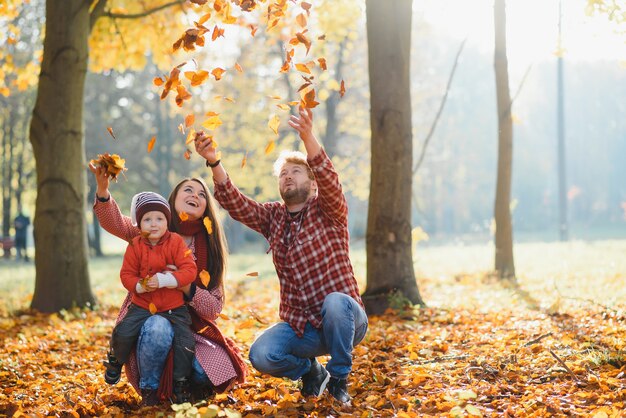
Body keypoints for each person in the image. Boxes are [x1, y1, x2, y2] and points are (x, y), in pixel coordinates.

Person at [194, 107, 368, 404]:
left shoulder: (329, 210)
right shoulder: (274, 217)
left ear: (312, 184)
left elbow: (329, 178)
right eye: (283, 174)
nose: (287, 177)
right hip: (304, 328)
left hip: (345, 321)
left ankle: (339, 378)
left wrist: (308, 137)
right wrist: (214, 161)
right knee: (261, 353)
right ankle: (312, 372)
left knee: (335, 301)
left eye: (295, 172)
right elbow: (236, 204)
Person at [89, 166, 247, 406]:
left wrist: (186, 288)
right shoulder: (154, 227)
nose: (195, 195)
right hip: (147, 318)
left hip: (188, 324)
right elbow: (117, 224)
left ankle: (182, 389)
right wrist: (102, 190)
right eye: (188, 190)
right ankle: (150, 391)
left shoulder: (210, 249)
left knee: (207, 370)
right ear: (173, 199)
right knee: (158, 327)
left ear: (206, 209)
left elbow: (214, 309)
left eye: (202, 194)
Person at [104, 191, 197, 405]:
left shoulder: (175, 242)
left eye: (159, 219)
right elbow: (126, 274)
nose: (153, 224)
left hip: (174, 307)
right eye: (147, 219)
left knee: (186, 342)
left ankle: (180, 382)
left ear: (167, 221)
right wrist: (139, 285)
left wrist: (166, 280)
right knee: (123, 331)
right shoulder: (135, 245)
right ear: (139, 223)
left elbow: (189, 270)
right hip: (142, 304)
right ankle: (115, 360)